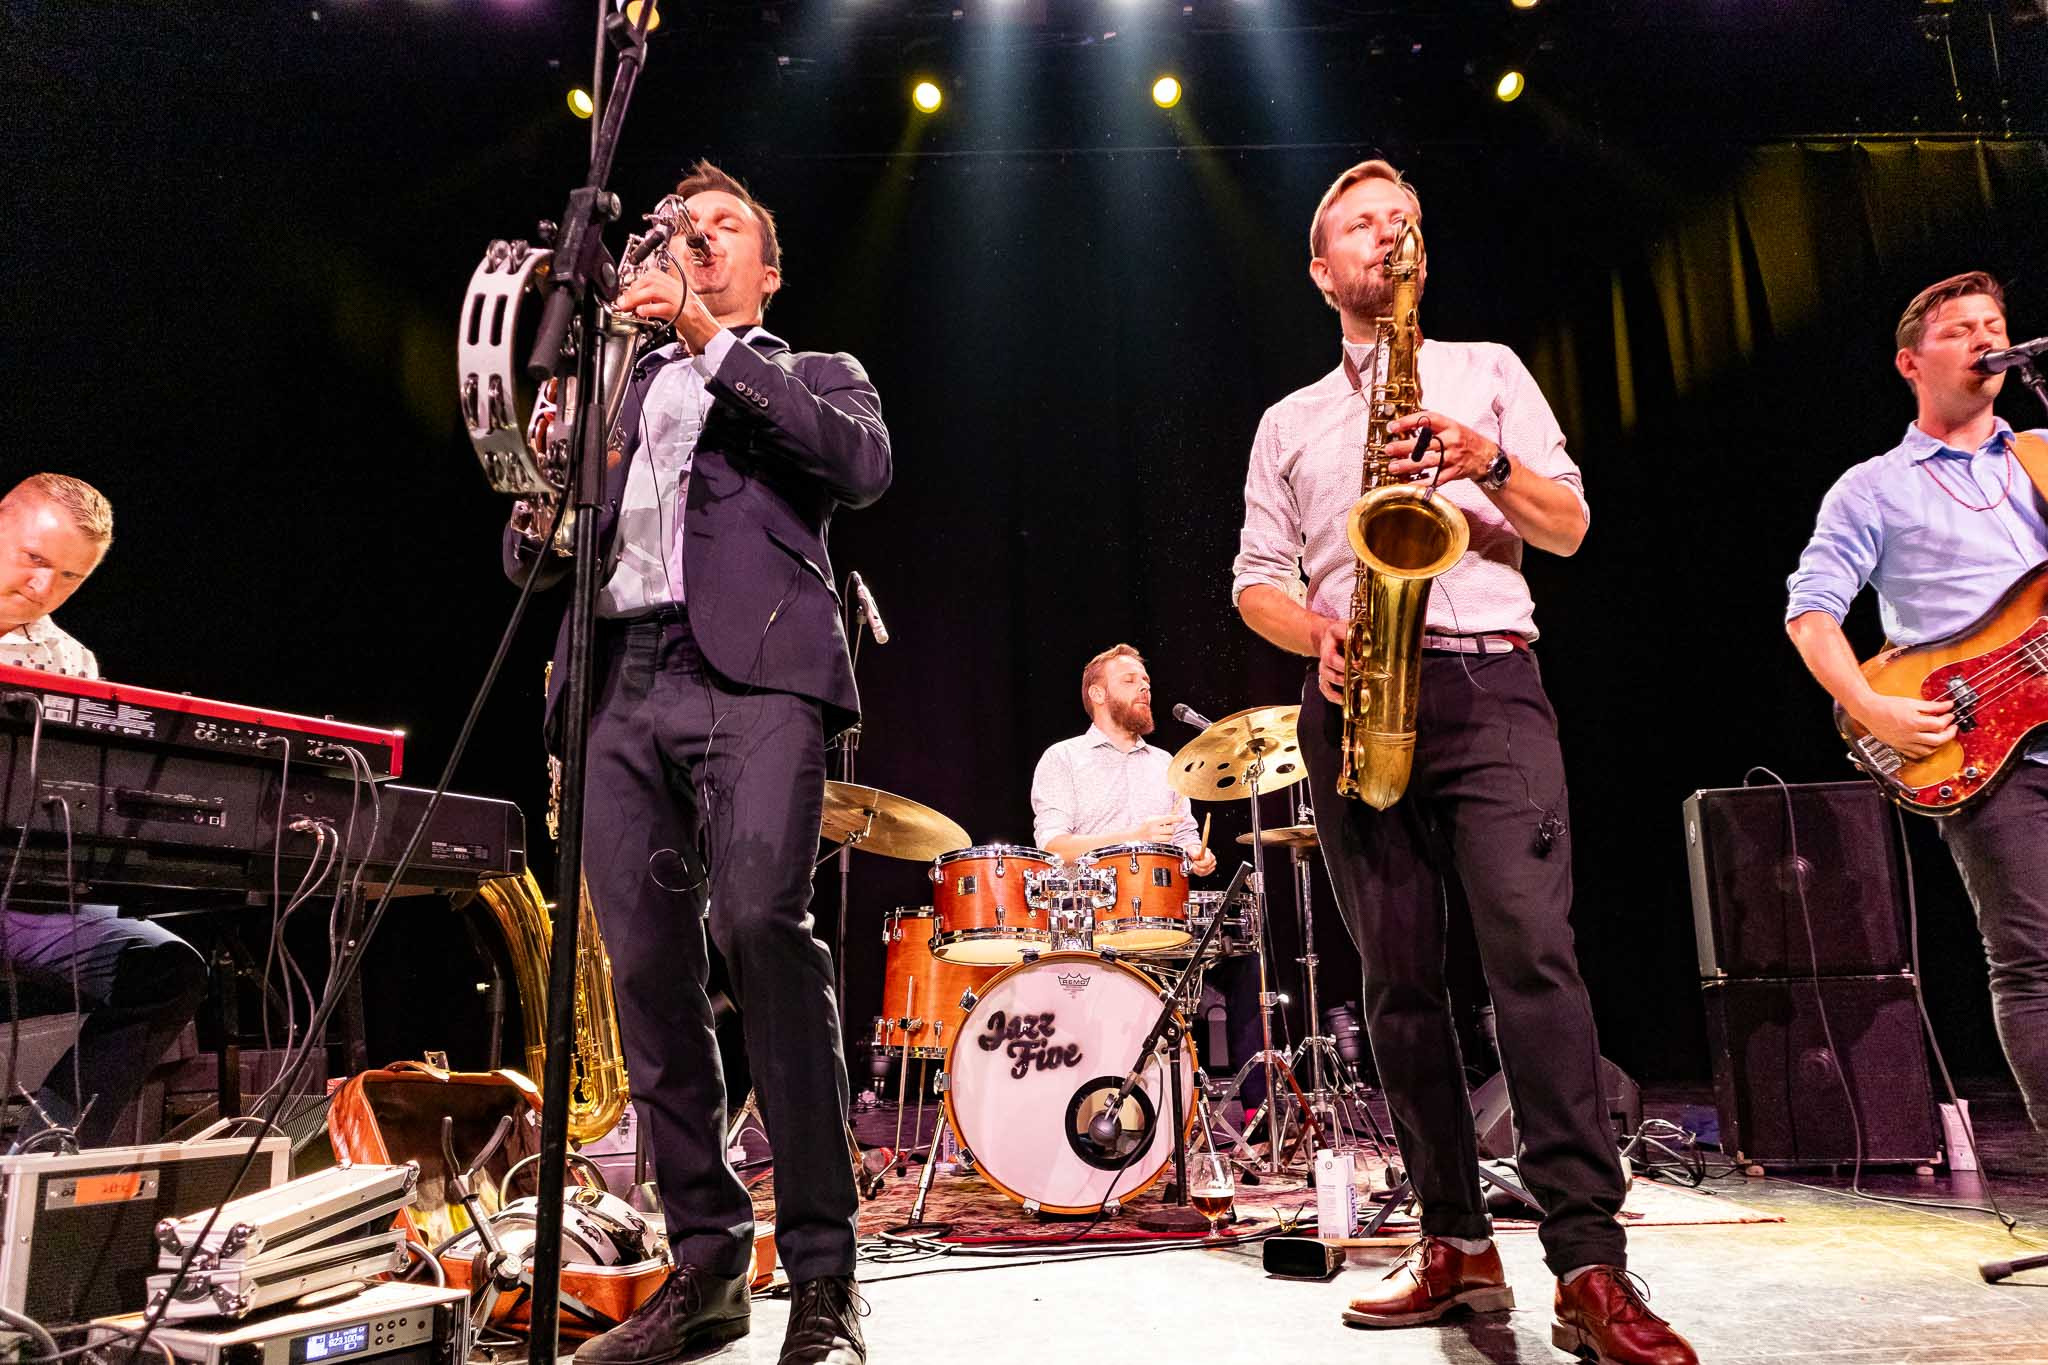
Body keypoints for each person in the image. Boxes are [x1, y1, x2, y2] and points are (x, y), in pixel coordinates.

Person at [1231, 160, 1695, 1364]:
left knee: (1531, 959)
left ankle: (1588, 1264)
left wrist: (1482, 461)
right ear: (1321, 269)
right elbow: (1253, 581)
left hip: (1488, 683)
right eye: (1357, 225)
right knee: (1396, 986)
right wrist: (1317, 632)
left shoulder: (1484, 370)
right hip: (1353, 700)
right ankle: (1452, 1242)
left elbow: (1568, 526)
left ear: (1420, 252)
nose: (1384, 234)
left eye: (1400, 219)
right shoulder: (1288, 420)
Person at [504, 162, 889, 1365]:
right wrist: (540, 485)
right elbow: (529, 564)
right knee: (646, 976)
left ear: (765, 274)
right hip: (614, 677)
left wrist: (706, 340)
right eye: (683, 226)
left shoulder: (811, 371)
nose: (697, 237)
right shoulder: (610, 393)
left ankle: (822, 1273)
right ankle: (707, 1267)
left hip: (756, 674)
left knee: (761, 928)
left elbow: (859, 468)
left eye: (725, 227)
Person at [1787, 270, 2048, 1136]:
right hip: (1988, 748)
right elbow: (1811, 612)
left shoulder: (2042, 453)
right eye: (1959, 329)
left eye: (1994, 323)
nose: (1985, 338)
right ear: (1910, 362)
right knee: (2035, 965)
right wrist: (1871, 705)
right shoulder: (1873, 487)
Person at [0, 473, 208, 1146]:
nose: (43, 588)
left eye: (69, 576)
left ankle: (40, 1162)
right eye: (34, 559)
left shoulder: (69, 661)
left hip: (20, 900)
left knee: (167, 969)